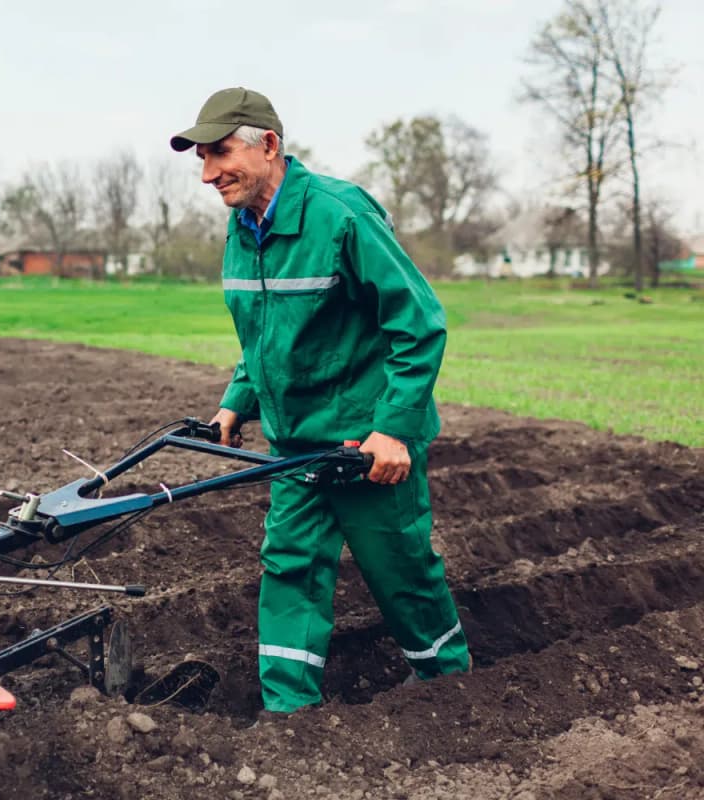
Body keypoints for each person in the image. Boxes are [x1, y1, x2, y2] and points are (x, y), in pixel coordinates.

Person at [169, 87, 470, 714]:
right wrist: (235, 403)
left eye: (220, 153)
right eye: (202, 158)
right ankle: (289, 713)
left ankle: (453, 689)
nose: (207, 174)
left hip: (366, 442)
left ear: (268, 145)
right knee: (290, 569)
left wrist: (393, 428)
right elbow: (264, 337)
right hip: (296, 444)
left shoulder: (340, 215)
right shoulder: (243, 228)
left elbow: (418, 325)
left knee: (402, 574)